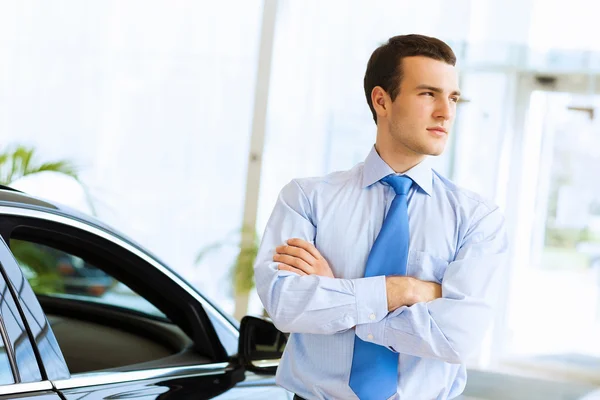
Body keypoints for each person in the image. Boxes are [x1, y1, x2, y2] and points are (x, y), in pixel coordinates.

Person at [254, 34, 508, 400]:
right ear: (381, 100)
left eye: (452, 97)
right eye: (428, 94)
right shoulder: (307, 198)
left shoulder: (477, 219)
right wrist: (403, 290)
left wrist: (335, 293)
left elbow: (457, 337)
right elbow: (286, 305)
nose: (446, 112)